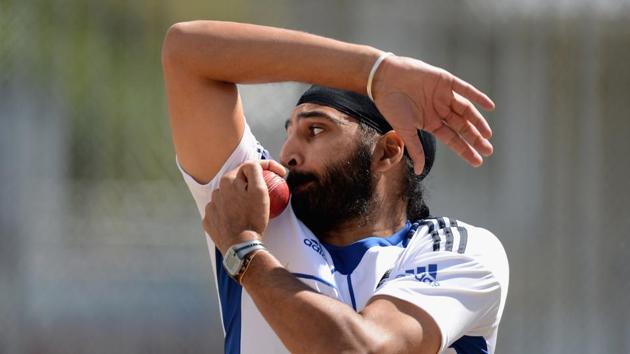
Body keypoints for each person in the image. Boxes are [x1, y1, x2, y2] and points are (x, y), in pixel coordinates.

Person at [162, 20, 508, 354]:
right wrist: (374, 71)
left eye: (316, 130)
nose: (288, 154)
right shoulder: (261, 211)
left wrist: (245, 255)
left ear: (387, 151)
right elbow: (186, 52)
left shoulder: (457, 251)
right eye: (289, 132)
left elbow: (361, 349)